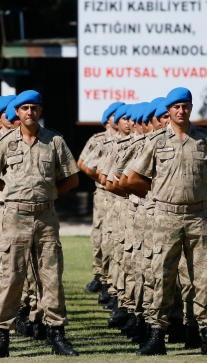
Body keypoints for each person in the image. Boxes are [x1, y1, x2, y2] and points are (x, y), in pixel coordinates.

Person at [128, 87, 207, 356]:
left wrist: (203, 190)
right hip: (165, 217)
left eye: (185, 105)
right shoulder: (156, 141)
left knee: (202, 277)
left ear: (191, 107)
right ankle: (156, 336)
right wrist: (161, 193)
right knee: (161, 276)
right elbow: (134, 178)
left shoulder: (205, 140)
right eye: (176, 106)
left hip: (198, 217)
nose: (181, 110)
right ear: (168, 111)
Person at [0, 90, 80, 357]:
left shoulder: (55, 141)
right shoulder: (5, 142)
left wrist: (50, 193)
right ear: (17, 113)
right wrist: (8, 193)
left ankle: (57, 334)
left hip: (46, 218)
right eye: (24, 108)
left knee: (51, 277)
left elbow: (72, 178)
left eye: (34, 107)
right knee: (10, 277)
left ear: (40, 111)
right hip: (14, 218)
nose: (30, 112)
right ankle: (1, 335)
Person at [78, 101, 123, 294]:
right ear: (107, 119)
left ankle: (112, 279)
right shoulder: (98, 140)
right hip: (104, 193)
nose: (119, 118)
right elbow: (82, 163)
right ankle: (99, 274)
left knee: (117, 236)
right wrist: (104, 181)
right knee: (100, 234)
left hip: (122, 194)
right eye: (114, 114)